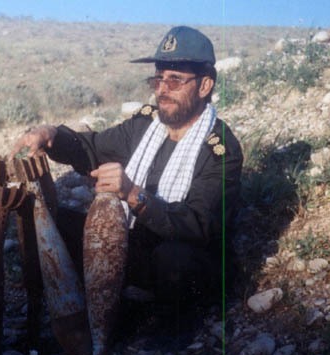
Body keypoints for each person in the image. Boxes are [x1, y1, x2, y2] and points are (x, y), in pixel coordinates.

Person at [14, 25, 243, 318]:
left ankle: (166, 327)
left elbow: (197, 224)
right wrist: (51, 136)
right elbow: (94, 148)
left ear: (204, 86)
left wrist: (133, 194)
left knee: (175, 259)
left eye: (175, 80)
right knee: (49, 222)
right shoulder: (145, 126)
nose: (162, 90)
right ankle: (78, 311)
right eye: (158, 79)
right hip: (134, 245)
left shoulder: (220, 149)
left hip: (183, 258)